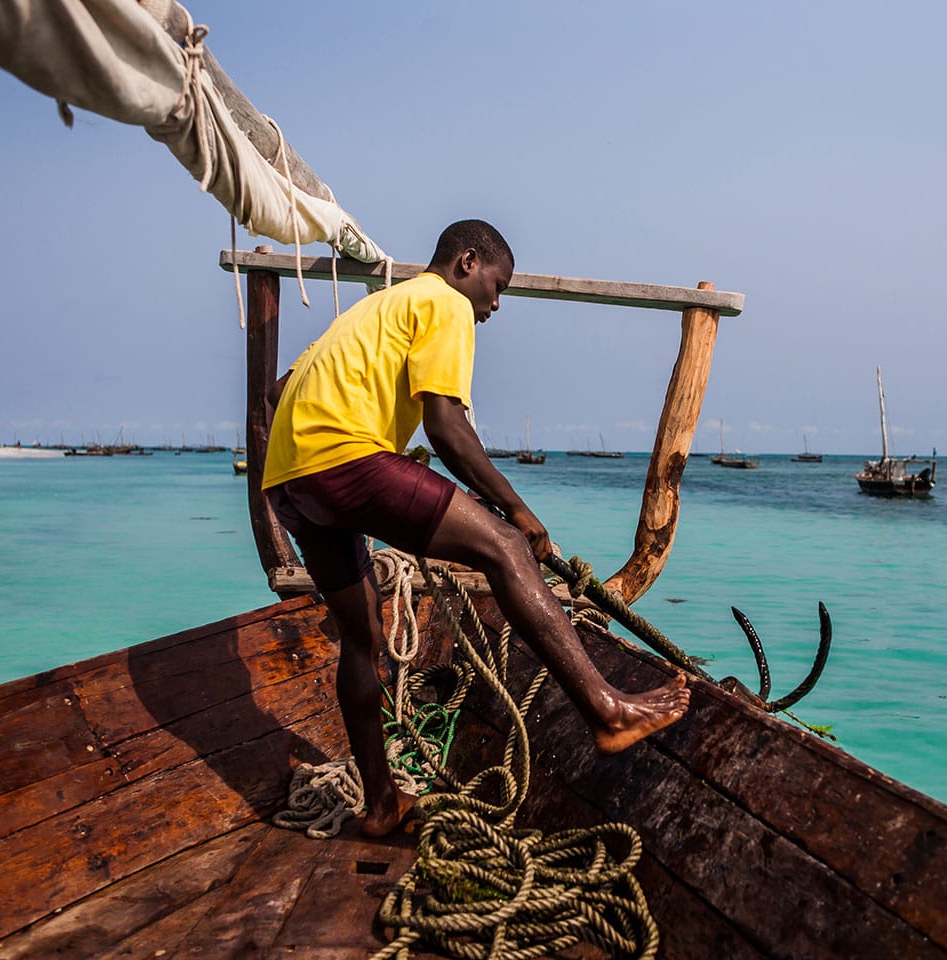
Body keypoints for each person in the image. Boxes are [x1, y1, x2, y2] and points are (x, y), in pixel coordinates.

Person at [262, 219, 690, 836]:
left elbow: (279, 394)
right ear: (467, 263)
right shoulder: (444, 302)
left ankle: (381, 807)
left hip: (290, 481)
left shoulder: (379, 309)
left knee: (362, 641)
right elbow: (447, 427)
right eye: (497, 285)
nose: (495, 304)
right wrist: (515, 509)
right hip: (345, 457)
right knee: (505, 548)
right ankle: (608, 709)